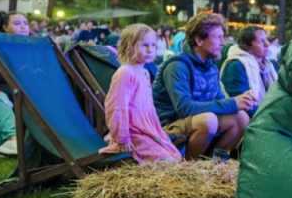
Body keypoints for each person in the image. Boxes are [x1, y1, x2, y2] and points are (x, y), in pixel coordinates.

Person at [153, 13, 253, 160]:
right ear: (199, 40)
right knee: (208, 120)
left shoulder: (211, 66)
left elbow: (218, 99)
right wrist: (232, 103)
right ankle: (189, 167)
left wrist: (240, 104)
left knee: (241, 117)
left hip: (196, 124)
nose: (223, 42)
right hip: (168, 127)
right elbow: (184, 109)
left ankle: (215, 163)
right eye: (218, 37)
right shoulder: (177, 66)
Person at [99, 24, 182, 163]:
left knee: (176, 155)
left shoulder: (144, 72)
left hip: (147, 128)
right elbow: (116, 107)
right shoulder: (125, 73)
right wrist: (122, 138)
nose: (150, 50)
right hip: (133, 133)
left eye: (153, 45)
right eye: (145, 45)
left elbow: (148, 106)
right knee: (168, 161)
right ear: (129, 46)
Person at [221, 26, 277, 116]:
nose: (267, 44)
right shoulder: (236, 65)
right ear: (247, 45)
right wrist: (270, 117)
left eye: (266, 40)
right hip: (248, 118)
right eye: (262, 41)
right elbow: (242, 103)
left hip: (267, 115)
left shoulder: (269, 65)